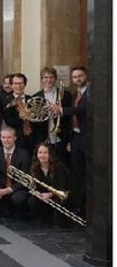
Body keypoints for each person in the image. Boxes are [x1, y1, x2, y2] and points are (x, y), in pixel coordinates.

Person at [59, 66, 89, 217]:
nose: (77, 79)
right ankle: (78, 205)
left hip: (88, 138)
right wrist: (70, 140)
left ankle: (87, 206)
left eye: (80, 76)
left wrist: (61, 110)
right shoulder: (75, 93)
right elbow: (73, 119)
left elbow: (83, 109)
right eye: (75, 77)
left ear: (86, 76)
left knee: (88, 173)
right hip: (76, 137)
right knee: (77, 173)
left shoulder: (92, 91)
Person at [25, 143, 70, 226]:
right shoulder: (34, 167)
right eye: (40, 152)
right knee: (32, 201)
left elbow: (62, 186)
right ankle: (42, 218)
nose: (42, 155)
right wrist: (36, 193)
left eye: (45, 153)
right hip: (43, 195)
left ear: (50, 154)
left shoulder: (59, 166)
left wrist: (50, 194)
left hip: (57, 194)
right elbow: (32, 185)